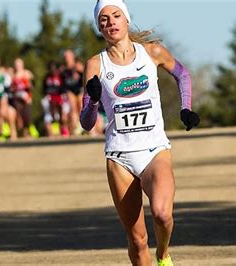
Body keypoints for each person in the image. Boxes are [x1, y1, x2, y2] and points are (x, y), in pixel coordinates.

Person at [80, 1, 200, 265]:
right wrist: (93, 101)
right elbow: (87, 123)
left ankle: (164, 255)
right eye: (103, 19)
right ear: (99, 28)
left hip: (154, 150)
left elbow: (182, 74)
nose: (110, 22)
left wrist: (186, 108)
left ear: (126, 19)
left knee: (162, 214)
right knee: (137, 239)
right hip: (119, 157)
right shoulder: (94, 65)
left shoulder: (152, 52)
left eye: (116, 16)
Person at [41, 60, 69, 137]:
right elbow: (44, 90)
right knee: (49, 115)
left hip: (60, 98)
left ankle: (64, 129)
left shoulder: (61, 77)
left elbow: (64, 89)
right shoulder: (46, 78)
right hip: (50, 99)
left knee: (62, 114)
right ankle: (52, 132)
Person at [61, 49, 84, 135]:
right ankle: (75, 129)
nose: (67, 58)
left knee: (81, 107)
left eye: (68, 56)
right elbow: (62, 81)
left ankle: (83, 126)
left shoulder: (78, 65)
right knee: (73, 108)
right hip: (70, 90)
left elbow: (85, 75)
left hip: (79, 88)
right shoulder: (64, 69)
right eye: (65, 57)